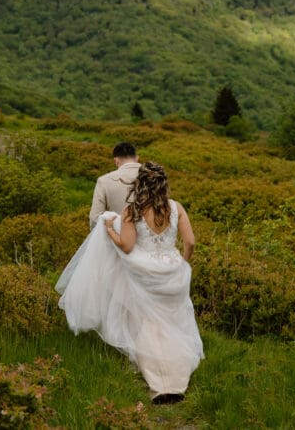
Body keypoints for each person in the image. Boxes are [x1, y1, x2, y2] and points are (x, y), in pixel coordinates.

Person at [57, 161, 204, 403]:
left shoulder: (132, 211)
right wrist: (182, 265)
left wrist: (109, 229)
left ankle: (160, 386)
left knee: (146, 326)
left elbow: (126, 247)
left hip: (144, 274)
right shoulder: (176, 208)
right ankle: (178, 381)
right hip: (172, 273)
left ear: (140, 184)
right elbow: (190, 243)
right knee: (174, 324)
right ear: (164, 183)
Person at [89, 142, 141, 230]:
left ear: (116, 161)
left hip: (117, 239)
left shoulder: (104, 181)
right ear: (137, 158)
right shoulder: (156, 177)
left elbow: (95, 219)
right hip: (151, 241)